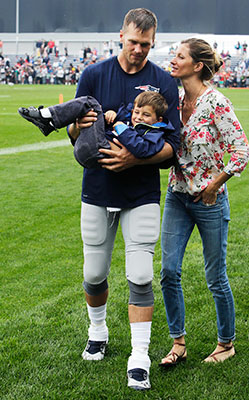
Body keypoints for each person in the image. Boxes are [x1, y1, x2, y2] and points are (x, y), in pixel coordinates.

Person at [67, 8, 180, 391]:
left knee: (140, 274)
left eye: (146, 45)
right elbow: (72, 135)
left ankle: (139, 356)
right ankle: (97, 330)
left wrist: (136, 155)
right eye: (133, 42)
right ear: (121, 35)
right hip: (98, 188)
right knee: (94, 273)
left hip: (141, 191)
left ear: (154, 43)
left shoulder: (163, 81)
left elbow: (173, 147)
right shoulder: (94, 74)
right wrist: (76, 125)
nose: (138, 50)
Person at [158, 38, 249, 367]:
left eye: (179, 56)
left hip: (210, 201)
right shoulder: (172, 100)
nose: (173, 60)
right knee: (168, 271)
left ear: (196, 66)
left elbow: (242, 151)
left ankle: (226, 343)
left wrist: (215, 184)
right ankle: (178, 343)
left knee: (216, 277)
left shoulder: (216, 102)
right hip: (176, 196)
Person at [18, 91, 175, 167]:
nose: (139, 117)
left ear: (159, 120)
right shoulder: (129, 121)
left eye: (146, 115)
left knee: (90, 103)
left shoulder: (155, 132)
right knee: (93, 108)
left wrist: (122, 128)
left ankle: (47, 118)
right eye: (136, 112)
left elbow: (142, 149)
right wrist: (110, 116)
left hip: (99, 151)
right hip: (89, 147)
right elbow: (117, 127)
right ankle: (48, 120)